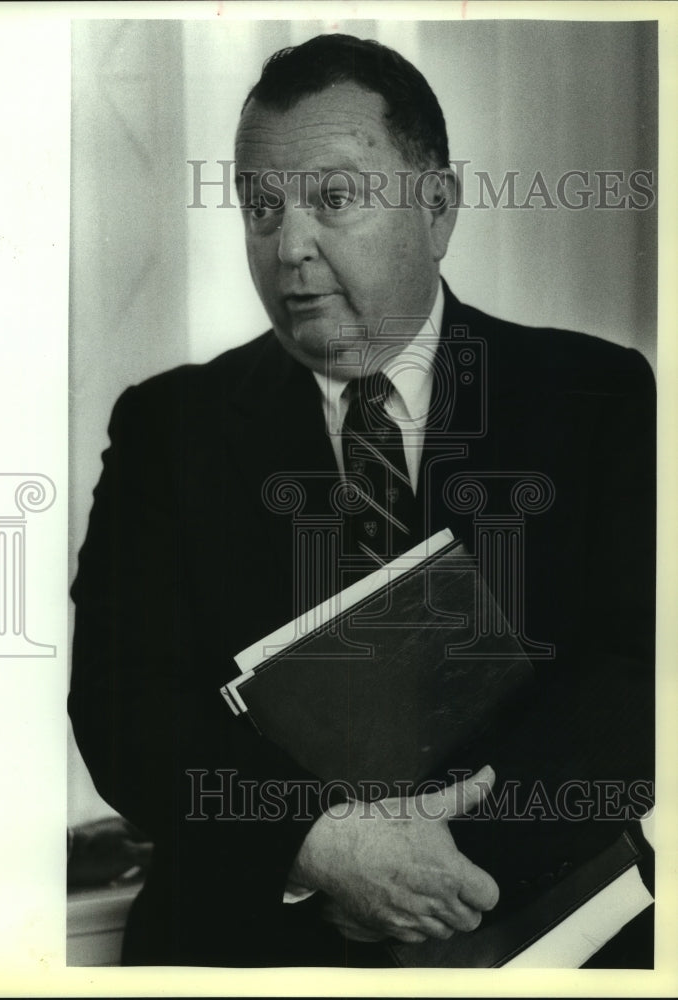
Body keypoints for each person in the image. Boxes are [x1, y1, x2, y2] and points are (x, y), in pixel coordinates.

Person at [69, 34, 655, 967]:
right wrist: (318, 844)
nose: (288, 245)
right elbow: (122, 711)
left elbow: (638, 680)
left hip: (549, 931)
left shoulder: (601, 399)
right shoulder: (166, 427)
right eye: (261, 209)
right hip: (250, 946)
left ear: (440, 207)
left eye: (333, 199)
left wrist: (436, 865)